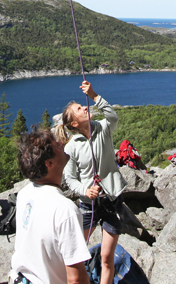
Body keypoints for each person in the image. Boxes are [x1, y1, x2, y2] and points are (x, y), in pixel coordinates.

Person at [56, 81, 125, 284]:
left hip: (112, 200)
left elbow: (113, 116)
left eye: (83, 104)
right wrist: (86, 190)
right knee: (76, 254)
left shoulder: (103, 129)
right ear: (74, 124)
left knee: (106, 257)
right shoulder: (71, 148)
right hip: (88, 206)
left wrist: (94, 95)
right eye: (79, 108)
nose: (85, 106)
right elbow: (70, 179)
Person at [9, 126, 91, 284]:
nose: (61, 143)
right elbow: (76, 279)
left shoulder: (25, 193)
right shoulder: (65, 210)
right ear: (50, 163)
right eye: (57, 145)